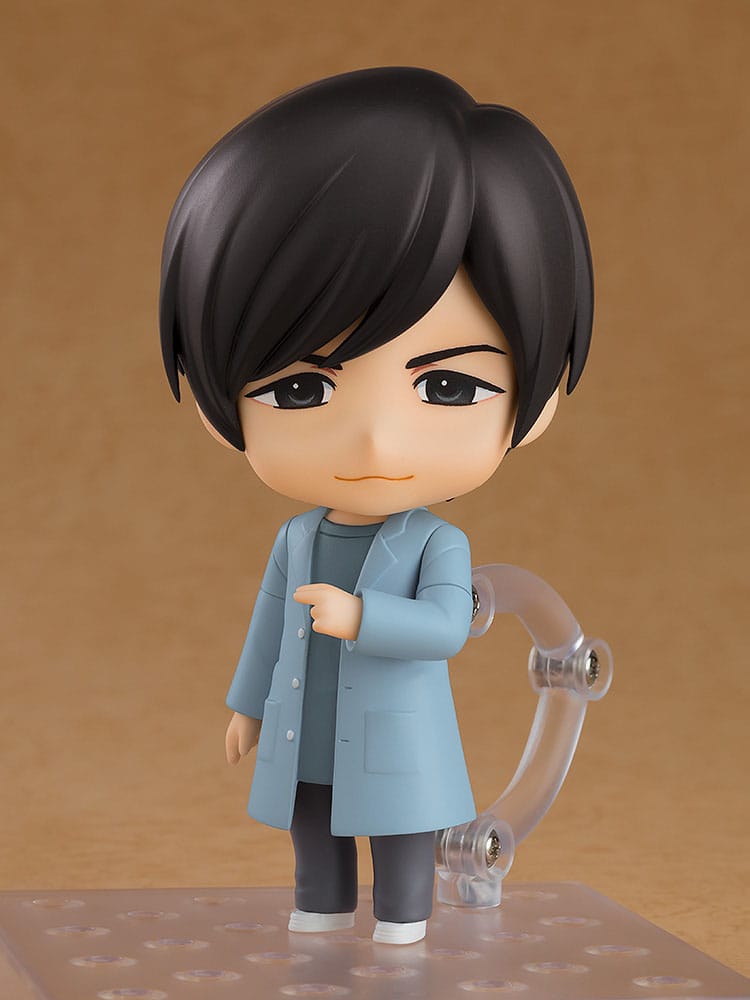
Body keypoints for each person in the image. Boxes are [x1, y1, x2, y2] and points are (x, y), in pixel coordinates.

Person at [159, 67, 593, 945]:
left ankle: (403, 926)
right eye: (300, 389)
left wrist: (362, 618)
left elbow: (446, 628)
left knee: (400, 839)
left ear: (536, 403)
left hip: (398, 737)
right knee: (312, 832)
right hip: (305, 729)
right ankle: (319, 913)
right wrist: (248, 704)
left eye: (447, 385)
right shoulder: (298, 535)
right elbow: (269, 621)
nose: (376, 444)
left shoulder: (438, 542)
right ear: (216, 406)